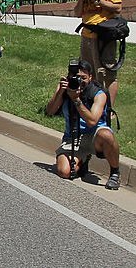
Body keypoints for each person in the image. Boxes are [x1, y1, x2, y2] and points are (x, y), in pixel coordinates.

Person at [46, 59, 120, 190]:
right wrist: (60, 93)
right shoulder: (65, 88)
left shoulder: (98, 93)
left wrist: (76, 99)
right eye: (76, 77)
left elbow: (92, 121)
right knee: (64, 172)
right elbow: (50, 112)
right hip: (73, 137)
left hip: (95, 137)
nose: (80, 81)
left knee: (107, 135)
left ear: (90, 77)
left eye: (83, 78)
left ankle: (115, 173)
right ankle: (82, 161)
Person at [73, 0, 123, 106]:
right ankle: (94, 104)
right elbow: (77, 13)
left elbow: (118, 8)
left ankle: (109, 109)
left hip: (103, 35)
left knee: (107, 73)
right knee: (88, 72)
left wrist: (96, 0)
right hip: (87, 35)